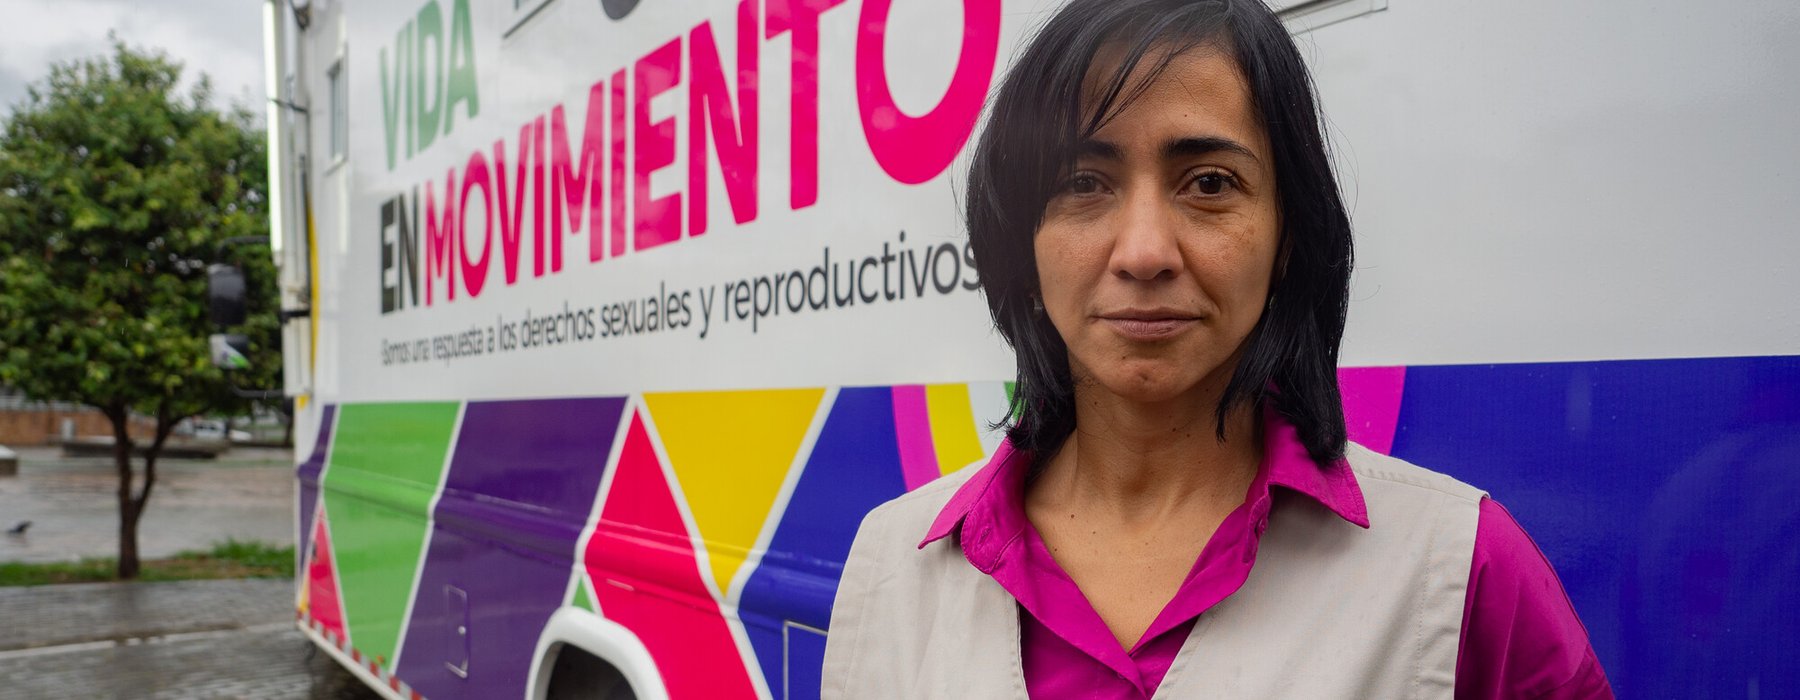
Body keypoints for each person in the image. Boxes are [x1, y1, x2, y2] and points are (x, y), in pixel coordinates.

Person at [820, 0, 1612, 697]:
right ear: (1022, 244)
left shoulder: (1457, 571)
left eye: (1208, 183)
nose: (1143, 252)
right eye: (1084, 184)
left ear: (1288, 235)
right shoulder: (893, 564)